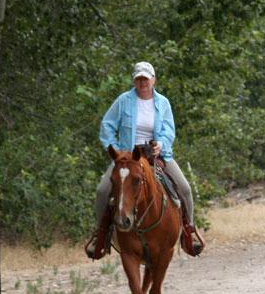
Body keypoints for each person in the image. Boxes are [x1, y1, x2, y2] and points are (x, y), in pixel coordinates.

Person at [85, 61, 205, 259]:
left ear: (153, 80)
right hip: (127, 158)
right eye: (139, 79)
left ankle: (188, 231)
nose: (143, 83)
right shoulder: (123, 101)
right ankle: (101, 234)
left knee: (184, 189)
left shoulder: (163, 103)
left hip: (156, 155)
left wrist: (161, 145)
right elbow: (107, 124)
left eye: (146, 79)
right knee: (102, 190)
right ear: (134, 81)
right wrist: (114, 149)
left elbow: (169, 130)